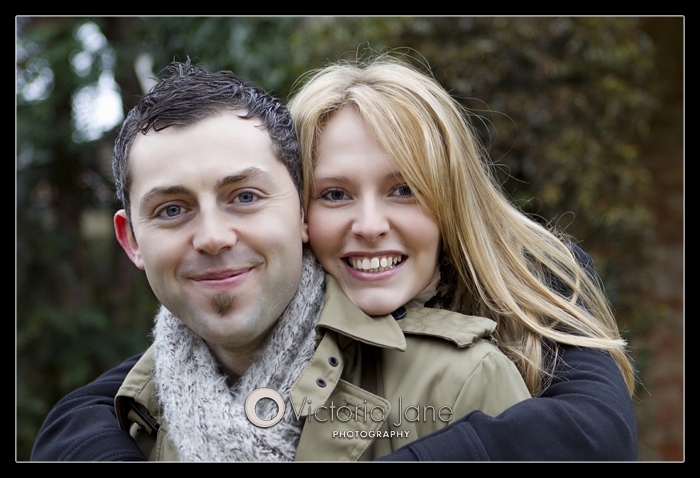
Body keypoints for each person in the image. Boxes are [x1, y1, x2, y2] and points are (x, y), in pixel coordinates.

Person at [32, 55, 639, 461]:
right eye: (335, 194)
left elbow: (596, 431)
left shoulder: (525, 295)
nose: (369, 225)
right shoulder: (195, 352)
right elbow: (97, 404)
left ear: (451, 200)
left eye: (405, 189)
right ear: (301, 213)